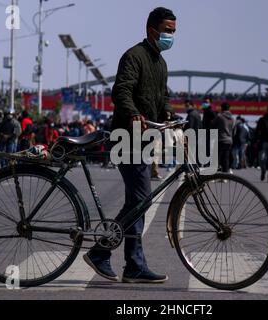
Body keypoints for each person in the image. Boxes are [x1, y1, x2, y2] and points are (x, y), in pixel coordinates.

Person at [83, 7, 176, 284]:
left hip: (145, 139)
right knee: (140, 200)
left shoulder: (160, 62)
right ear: (152, 30)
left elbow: (162, 96)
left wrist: (168, 111)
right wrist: (134, 112)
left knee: (138, 202)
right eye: (168, 31)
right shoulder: (133, 56)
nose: (171, 36)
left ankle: (133, 265)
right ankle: (102, 253)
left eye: (173, 31)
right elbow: (121, 90)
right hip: (126, 137)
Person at [211, 102, 234, 173]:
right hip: (229, 140)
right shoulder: (232, 118)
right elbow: (233, 129)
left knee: (216, 158)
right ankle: (225, 175)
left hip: (220, 140)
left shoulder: (220, 117)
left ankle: (215, 175)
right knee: (226, 158)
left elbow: (212, 125)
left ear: (222, 108)